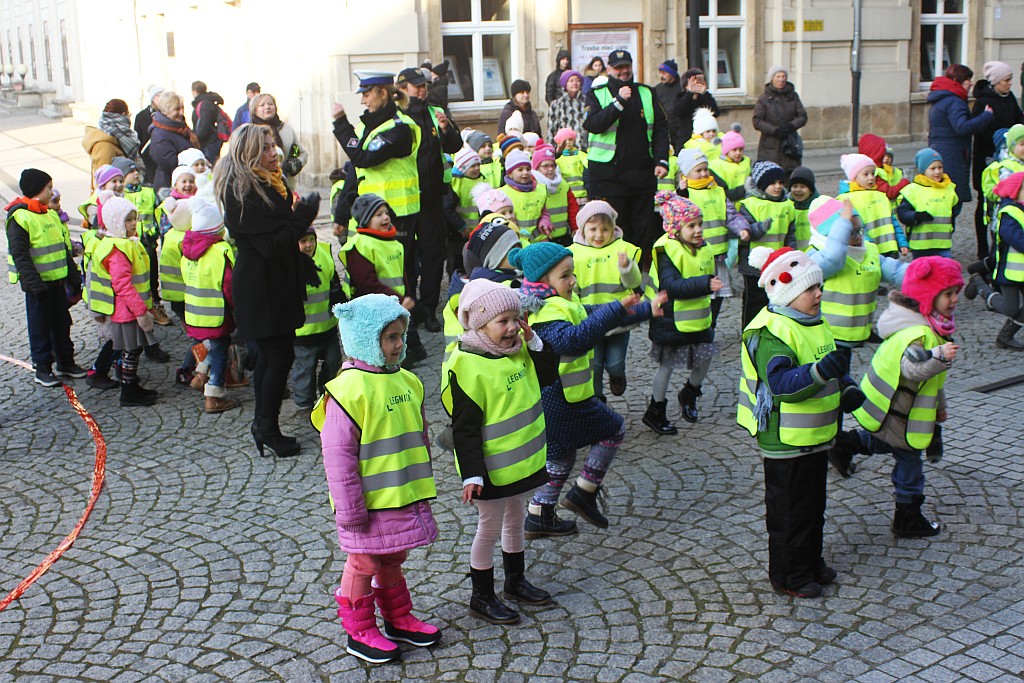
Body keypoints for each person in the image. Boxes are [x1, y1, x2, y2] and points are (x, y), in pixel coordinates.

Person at [311, 294, 441, 664]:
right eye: (390, 338)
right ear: (366, 340)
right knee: (363, 563)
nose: (399, 344)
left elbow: (419, 436)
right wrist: (350, 510)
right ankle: (359, 631)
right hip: (365, 504)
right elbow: (338, 458)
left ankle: (398, 619)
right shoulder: (348, 391)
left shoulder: (408, 381)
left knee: (392, 559)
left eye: (401, 335)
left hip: (401, 496)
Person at [513, 242, 666, 537]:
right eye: (565, 276)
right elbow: (575, 340)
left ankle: (538, 516)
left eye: (572, 274)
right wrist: (614, 308)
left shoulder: (560, 304)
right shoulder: (545, 314)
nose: (573, 281)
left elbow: (594, 315)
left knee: (560, 456)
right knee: (613, 429)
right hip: (562, 399)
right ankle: (584, 491)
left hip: (558, 398)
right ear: (541, 280)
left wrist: (646, 309)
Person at [737, 246, 863, 598]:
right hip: (786, 441)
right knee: (789, 514)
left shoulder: (813, 322)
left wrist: (847, 388)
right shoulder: (770, 332)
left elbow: (828, 364)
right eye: (811, 289)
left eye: (818, 287)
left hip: (814, 435)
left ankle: (809, 561)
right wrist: (823, 372)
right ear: (788, 292)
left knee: (813, 507)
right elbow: (782, 386)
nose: (819, 294)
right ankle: (789, 576)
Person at [441, 279, 556, 624]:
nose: (511, 328)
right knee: (488, 529)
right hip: (490, 470)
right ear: (479, 324)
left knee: (515, 520)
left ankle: (515, 581)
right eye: (501, 321)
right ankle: (482, 595)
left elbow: (548, 375)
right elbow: (464, 429)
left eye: (514, 319)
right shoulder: (468, 366)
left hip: (520, 465)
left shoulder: (519, 347)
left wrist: (534, 340)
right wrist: (472, 474)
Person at [214, 123, 320, 458]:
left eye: (274, 145)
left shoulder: (264, 182)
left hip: (274, 281)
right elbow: (272, 245)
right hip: (262, 287)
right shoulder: (243, 192)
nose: (274, 152)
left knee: (272, 357)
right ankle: (266, 426)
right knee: (278, 357)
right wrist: (301, 218)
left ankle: (265, 424)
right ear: (248, 153)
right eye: (265, 148)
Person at [850, 257, 961, 538]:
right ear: (927, 296)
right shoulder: (920, 335)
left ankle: (844, 444)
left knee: (882, 442)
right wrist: (939, 358)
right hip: (900, 412)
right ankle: (907, 516)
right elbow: (913, 370)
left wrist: (941, 407)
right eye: (947, 294)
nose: (954, 300)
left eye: (956, 293)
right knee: (910, 460)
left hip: (894, 409)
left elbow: (934, 384)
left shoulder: (924, 326)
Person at [643, 192, 723, 434]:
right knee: (666, 366)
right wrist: (705, 284)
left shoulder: (703, 248)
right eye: (691, 226)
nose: (698, 230)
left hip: (698, 319)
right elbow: (671, 285)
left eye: (700, 224)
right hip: (669, 320)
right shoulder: (666, 250)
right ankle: (655, 410)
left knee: (706, 357)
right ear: (675, 229)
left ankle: (689, 392)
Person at [395, 67, 464, 332]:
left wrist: (447, 130)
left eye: (424, 85)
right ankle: (408, 306)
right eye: (416, 86)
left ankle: (428, 309)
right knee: (406, 257)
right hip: (403, 200)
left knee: (434, 254)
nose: (422, 90)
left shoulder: (436, 112)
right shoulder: (397, 116)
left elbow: (454, 146)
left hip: (433, 198)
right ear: (402, 88)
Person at [584, 49, 670, 259]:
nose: (624, 71)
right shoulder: (598, 92)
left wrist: (661, 160)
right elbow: (593, 124)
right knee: (614, 229)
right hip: (608, 177)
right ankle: (615, 276)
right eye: (619, 67)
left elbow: (660, 128)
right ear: (610, 69)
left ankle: (638, 278)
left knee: (643, 230)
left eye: (627, 66)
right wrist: (618, 103)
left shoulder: (647, 92)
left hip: (642, 176)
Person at [333, 71, 419, 277]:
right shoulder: (367, 126)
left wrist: (341, 124)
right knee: (370, 272)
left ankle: (406, 308)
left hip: (397, 214)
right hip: (370, 212)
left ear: (382, 93)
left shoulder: (400, 128)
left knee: (397, 274)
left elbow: (363, 159)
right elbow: (356, 171)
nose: (363, 101)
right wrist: (342, 215)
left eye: (366, 94)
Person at [5, 168, 87, 386]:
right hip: (39, 287)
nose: (52, 192)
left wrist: (73, 276)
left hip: (57, 282)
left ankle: (66, 363)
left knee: (62, 324)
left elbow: (63, 247)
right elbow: (20, 255)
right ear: (36, 190)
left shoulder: (49, 214)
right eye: (48, 188)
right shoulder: (20, 218)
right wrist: (34, 284)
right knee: (40, 328)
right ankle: (42, 369)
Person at [85, 193, 161, 407]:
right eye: (128, 220)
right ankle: (128, 390)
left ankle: (131, 386)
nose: (133, 224)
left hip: (130, 309)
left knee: (132, 349)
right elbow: (122, 285)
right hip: (127, 311)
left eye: (134, 218)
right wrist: (140, 311)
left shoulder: (124, 243)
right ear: (115, 222)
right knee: (131, 350)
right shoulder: (117, 249)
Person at [340, 193, 429, 367]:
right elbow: (366, 283)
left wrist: (407, 296)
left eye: (386, 213)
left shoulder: (393, 243)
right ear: (366, 220)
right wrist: (400, 299)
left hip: (395, 305)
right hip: (373, 308)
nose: (386, 217)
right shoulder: (360, 244)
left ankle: (402, 359)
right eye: (378, 214)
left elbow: (402, 275)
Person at [568, 201, 642, 401]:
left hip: (618, 317)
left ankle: (617, 375)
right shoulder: (572, 253)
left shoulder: (623, 250)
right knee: (595, 365)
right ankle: (598, 401)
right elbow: (570, 289)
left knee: (614, 363)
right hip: (589, 319)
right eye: (593, 229)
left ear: (614, 229)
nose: (599, 235)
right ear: (583, 229)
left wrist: (626, 267)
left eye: (605, 229)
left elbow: (634, 282)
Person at [179, 198, 240, 414]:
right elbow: (228, 284)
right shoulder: (220, 251)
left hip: (195, 311)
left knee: (206, 345)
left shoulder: (187, 250)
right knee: (220, 350)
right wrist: (236, 307)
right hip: (217, 312)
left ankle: (201, 373)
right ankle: (213, 396)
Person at [927, 64, 994, 230]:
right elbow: (962, 127)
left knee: (943, 201)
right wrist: (986, 116)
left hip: (941, 151)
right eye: (967, 81)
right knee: (952, 202)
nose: (970, 84)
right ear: (957, 81)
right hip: (952, 155)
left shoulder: (941, 98)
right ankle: (942, 245)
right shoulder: (954, 101)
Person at [965, 172, 1024, 350]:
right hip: (1010, 272)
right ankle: (981, 285)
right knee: (1010, 308)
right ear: (1016, 191)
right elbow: (1015, 238)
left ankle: (1005, 337)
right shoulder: (1008, 213)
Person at [972, 62, 1024, 259]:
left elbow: (1018, 119)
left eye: (1011, 79)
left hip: (1011, 156)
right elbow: (980, 130)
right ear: (996, 82)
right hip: (987, 159)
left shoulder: (1009, 97)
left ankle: (1001, 241)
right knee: (984, 202)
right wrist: (1004, 139)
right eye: (1007, 80)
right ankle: (982, 245)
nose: (1011, 84)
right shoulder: (982, 102)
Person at [736, 160, 797, 328]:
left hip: (779, 262)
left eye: (780, 182)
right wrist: (760, 228)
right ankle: (750, 329)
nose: (777, 187)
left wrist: (792, 253)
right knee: (754, 300)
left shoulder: (788, 205)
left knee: (777, 298)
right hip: (753, 266)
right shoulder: (750, 204)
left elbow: (790, 234)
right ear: (761, 185)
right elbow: (744, 232)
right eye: (772, 183)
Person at [112, 156, 170, 326]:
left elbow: (159, 213)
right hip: (130, 244)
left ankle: (155, 304)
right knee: (137, 279)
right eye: (130, 172)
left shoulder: (148, 191)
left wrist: (157, 231)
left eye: (136, 170)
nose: (135, 174)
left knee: (152, 275)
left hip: (148, 243)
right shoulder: (121, 196)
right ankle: (139, 308)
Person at [292, 226, 345, 409]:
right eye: (303, 241)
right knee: (305, 369)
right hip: (303, 332)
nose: (308, 245)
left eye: (311, 240)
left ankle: (328, 392)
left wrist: (342, 306)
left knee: (333, 361)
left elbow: (334, 285)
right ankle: (304, 403)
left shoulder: (324, 254)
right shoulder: (290, 264)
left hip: (328, 326)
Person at [836, 153, 906, 256]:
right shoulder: (846, 199)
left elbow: (892, 221)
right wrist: (867, 243)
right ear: (853, 177)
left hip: (889, 250)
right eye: (866, 174)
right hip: (868, 251)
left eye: (873, 173)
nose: (871, 177)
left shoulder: (881, 196)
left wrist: (902, 242)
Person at [897, 148, 960, 258]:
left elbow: (954, 210)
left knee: (943, 272)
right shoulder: (912, 190)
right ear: (923, 170)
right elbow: (903, 213)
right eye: (933, 168)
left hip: (943, 244)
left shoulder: (950, 188)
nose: (937, 171)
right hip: (920, 244)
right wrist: (916, 216)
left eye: (940, 167)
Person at [753, 66, 808, 178]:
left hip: (790, 143)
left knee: (791, 175)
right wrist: (775, 130)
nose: (781, 79)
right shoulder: (764, 99)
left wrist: (791, 126)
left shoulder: (793, 96)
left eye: (784, 76)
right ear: (772, 79)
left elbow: (803, 116)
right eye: (778, 76)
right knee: (771, 175)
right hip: (770, 146)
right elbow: (757, 121)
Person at [250, 93, 307, 191]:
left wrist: (291, 166)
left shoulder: (286, 129)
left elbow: (300, 153)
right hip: (258, 185)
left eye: (270, 104)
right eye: (262, 105)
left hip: (285, 185)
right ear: (254, 109)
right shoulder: (249, 132)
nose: (267, 107)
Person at [149, 91, 199, 191]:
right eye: (177, 109)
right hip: (171, 186)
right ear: (165, 111)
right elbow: (170, 163)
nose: (181, 112)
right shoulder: (160, 134)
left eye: (182, 108)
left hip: (185, 183)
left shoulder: (181, 128)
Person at [83, 99, 138, 185]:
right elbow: (103, 180)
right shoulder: (104, 145)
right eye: (129, 115)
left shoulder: (119, 139)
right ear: (123, 115)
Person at [500, 150, 550, 244]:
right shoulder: (503, 194)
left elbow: (544, 212)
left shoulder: (540, 189)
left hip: (540, 241)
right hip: (517, 242)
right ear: (510, 173)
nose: (525, 172)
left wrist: (545, 221)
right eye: (520, 169)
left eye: (528, 169)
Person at [532, 144, 576, 245]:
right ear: (537, 168)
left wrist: (575, 227)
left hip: (564, 235)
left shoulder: (563, 184)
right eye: (545, 166)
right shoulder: (533, 186)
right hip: (543, 237)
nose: (550, 169)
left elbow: (573, 208)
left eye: (552, 165)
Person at [672, 68, 721, 153]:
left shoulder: (705, 98)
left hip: (706, 140)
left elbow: (715, 112)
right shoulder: (680, 97)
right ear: (686, 85)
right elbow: (678, 111)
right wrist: (690, 94)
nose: (697, 84)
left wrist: (705, 94)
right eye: (694, 82)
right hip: (686, 137)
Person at [547, 70, 588, 151]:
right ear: (565, 84)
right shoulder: (556, 104)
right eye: (571, 80)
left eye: (577, 80)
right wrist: (553, 151)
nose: (575, 83)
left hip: (584, 149)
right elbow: (551, 131)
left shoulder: (587, 102)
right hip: (565, 151)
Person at [190, 81, 227, 164]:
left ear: (194, 91)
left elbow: (204, 126)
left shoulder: (205, 104)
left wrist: (196, 139)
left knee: (209, 167)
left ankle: (211, 178)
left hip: (209, 143)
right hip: (209, 142)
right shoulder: (206, 102)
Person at [709, 130, 751, 203]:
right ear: (726, 151)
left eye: (740, 149)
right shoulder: (716, 166)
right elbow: (722, 193)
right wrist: (744, 189)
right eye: (734, 150)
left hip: (747, 204)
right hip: (729, 206)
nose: (738, 153)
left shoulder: (746, 161)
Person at [135, 86, 164, 186]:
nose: (161, 98)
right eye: (158, 95)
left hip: (163, 157)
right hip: (147, 159)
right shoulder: (141, 116)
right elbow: (138, 139)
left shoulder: (168, 115)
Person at [788, 166, 819, 251]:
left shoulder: (818, 206)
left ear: (811, 190)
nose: (798, 190)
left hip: (814, 255)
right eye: (795, 186)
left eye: (802, 186)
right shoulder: (786, 206)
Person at [653, 60, 683, 147]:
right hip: (664, 130)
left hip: (680, 131)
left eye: (665, 73)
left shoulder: (683, 88)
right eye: (660, 73)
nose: (661, 76)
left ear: (672, 74)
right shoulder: (657, 89)